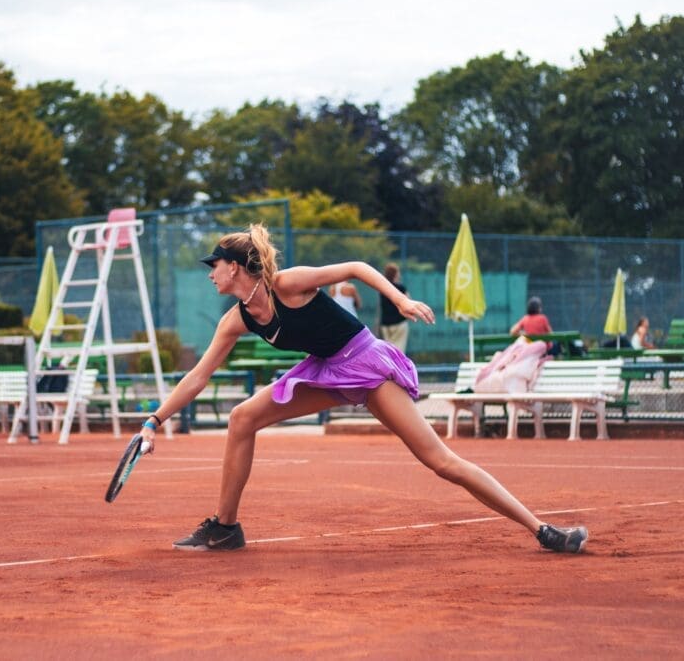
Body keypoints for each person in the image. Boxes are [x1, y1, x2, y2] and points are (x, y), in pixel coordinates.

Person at [138, 224, 588, 554]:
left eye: (213, 266)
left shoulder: (285, 284)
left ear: (234, 266)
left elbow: (355, 266)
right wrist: (153, 420)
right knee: (243, 418)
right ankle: (225, 528)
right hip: (326, 371)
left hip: (366, 364)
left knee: (441, 462)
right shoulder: (236, 318)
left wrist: (399, 299)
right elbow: (197, 376)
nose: (209, 275)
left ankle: (541, 528)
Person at [378, 262, 409, 353]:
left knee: (389, 352)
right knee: (399, 351)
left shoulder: (382, 288)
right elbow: (408, 302)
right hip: (399, 323)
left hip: (385, 324)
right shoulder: (401, 288)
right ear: (395, 273)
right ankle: (398, 367)